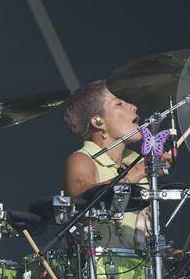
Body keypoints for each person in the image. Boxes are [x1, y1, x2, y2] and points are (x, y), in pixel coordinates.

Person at [62, 80, 157, 248]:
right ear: (98, 121)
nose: (133, 107)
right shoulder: (82, 159)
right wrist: (138, 172)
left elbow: (142, 232)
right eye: (119, 103)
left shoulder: (135, 160)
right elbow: (83, 197)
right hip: (99, 270)